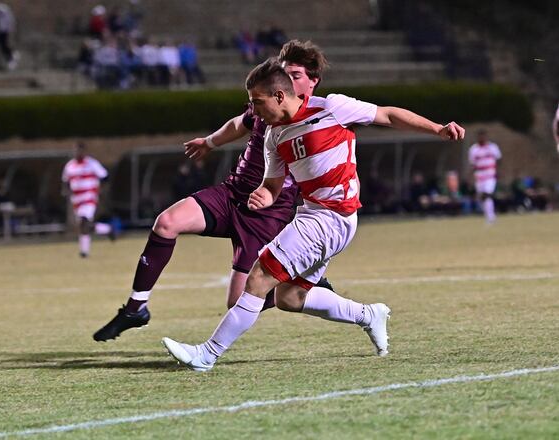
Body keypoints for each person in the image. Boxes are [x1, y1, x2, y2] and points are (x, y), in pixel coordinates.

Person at [162, 57, 464, 371]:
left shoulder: (332, 108)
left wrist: (437, 129)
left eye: (257, 102)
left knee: (259, 278)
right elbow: (272, 185)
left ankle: (206, 355)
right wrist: (263, 196)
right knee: (288, 298)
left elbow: (387, 114)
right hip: (316, 215)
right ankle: (368, 315)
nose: (253, 109)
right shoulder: (274, 136)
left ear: (279, 96)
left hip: (332, 218)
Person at [93, 40, 336, 342]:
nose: (288, 80)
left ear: (314, 81)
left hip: (266, 215)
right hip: (232, 194)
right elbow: (240, 123)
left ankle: (301, 285)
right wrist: (209, 142)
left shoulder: (323, 119)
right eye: (285, 73)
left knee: (237, 302)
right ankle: (136, 308)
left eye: (296, 75)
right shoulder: (268, 103)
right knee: (167, 223)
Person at [61, 142, 115, 258]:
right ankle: (106, 229)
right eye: (76, 150)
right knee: (83, 225)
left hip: (89, 198)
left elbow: (105, 177)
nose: (78, 153)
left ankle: (84, 252)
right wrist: (66, 191)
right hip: (77, 200)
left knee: (83, 222)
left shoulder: (91, 163)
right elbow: (65, 182)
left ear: (84, 152)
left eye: (80, 150)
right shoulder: (69, 166)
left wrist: (101, 190)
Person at [467, 129, 501, 224]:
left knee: (487, 194)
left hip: (490, 175)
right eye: (480, 136)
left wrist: (498, 172)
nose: (482, 138)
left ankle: (490, 218)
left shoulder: (492, 147)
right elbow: (473, 165)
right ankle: (490, 215)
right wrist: (470, 177)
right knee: (482, 197)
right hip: (480, 176)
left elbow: (498, 160)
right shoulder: (474, 149)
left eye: (483, 136)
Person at [0, 2, 18, 70]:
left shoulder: (2, 8)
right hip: (2, 29)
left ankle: (12, 55)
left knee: (3, 45)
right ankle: (11, 56)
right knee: (2, 45)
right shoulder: (4, 10)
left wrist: (10, 28)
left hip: (4, 30)